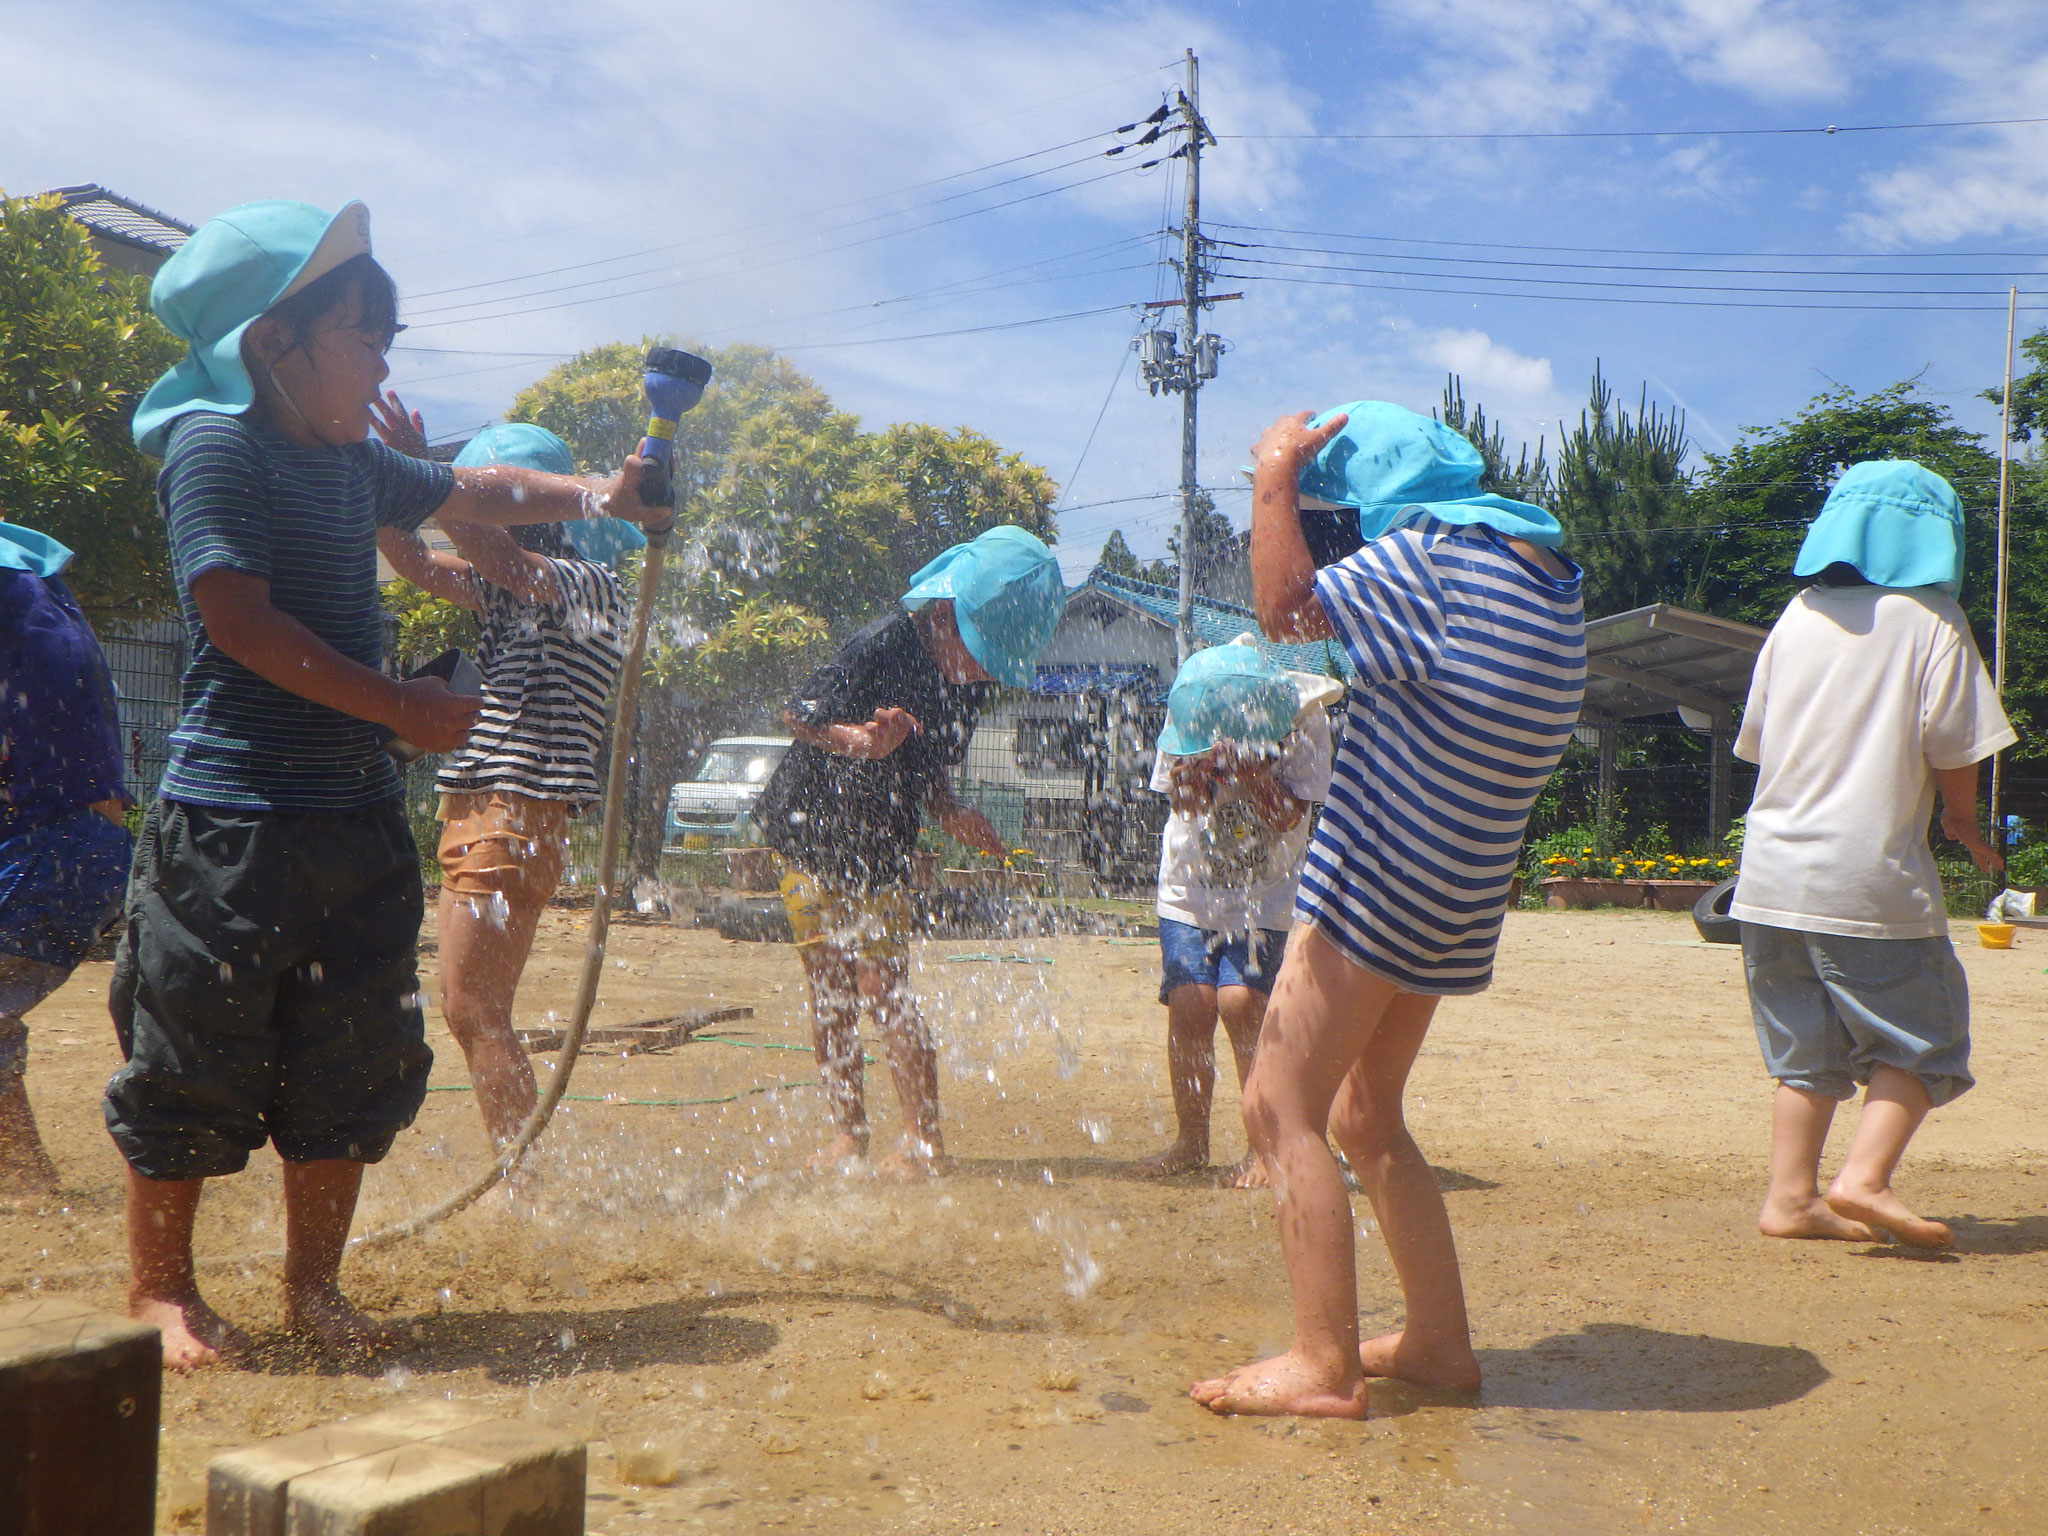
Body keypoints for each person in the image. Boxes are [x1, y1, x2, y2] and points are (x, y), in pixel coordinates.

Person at [107, 199, 664, 1369]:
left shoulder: (353, 462)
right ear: (272, 342)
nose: (381, 365)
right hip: (235, 817)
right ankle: (162, 1290)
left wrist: (597, 498)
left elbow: (471, 491)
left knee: (349, 1057)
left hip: (354, 815)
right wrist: (397, 706)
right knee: (191, 1049)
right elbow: (238, 622)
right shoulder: (218, 448)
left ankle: (314, 1286)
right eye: (365, 337)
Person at [1192, 401, 1585, 1418]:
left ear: (1367, 510)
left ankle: (1322, 1363)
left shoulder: (1429, 560)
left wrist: (1274, 472)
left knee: (1277, 1106)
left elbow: (1283, 612)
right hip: (1458, 891)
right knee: (1366, 1116)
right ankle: (1438, 1342)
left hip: (1377, 878)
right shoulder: (1544, 578)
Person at [1731, 460, 2011, 1251]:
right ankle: (1864, 1179)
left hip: (1770, 879)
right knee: (1924, 1039)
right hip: (1867, 882)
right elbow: (1955, 742)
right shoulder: (1932, 620)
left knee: (1804, 1055)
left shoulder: (1796, 616)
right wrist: (1962, 819)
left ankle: (1791, 1200)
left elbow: (1759, 739)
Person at [754, 526, 1065, 1179]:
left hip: (881, 840)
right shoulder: (879, 645)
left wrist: (950, 813)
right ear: (944, 614)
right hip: (807, 831)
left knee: (883, 984)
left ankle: (924, 1144)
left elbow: (927, 763)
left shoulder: (967, 683)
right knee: (830, 986)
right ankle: (848, 1134)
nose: (983, 671)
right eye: (982, 653)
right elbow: (799, 715)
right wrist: (861, 743)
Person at [371, 406, 640, 1150]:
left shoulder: (589, 585)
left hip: (514, 812)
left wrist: (430, 480)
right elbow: (416, 562)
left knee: (474, 1008)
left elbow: (498, 558)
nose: (479, 508)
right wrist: (395, 486)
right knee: (472, 1006)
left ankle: (519, 1181)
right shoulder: (517, 586)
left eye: (490, 497)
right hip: (492, 812)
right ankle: (518, 1172)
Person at [1133, 636, 1336, 1186]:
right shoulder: (1190, 707)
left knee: (1242, 1003)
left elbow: (1291, 816)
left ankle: (1263, 1148)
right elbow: (1182, 805)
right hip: (1189, 885)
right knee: (1190, 1003)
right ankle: (1190, 1141)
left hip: (1264, 887)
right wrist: (1193, 780)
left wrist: (1253, 775)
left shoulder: (1305, 720)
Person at [0, 520, 133, 1197]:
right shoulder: (34, 585)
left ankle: (28, 1191)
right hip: (87, 846)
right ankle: (24, 1183)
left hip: (51, 846)